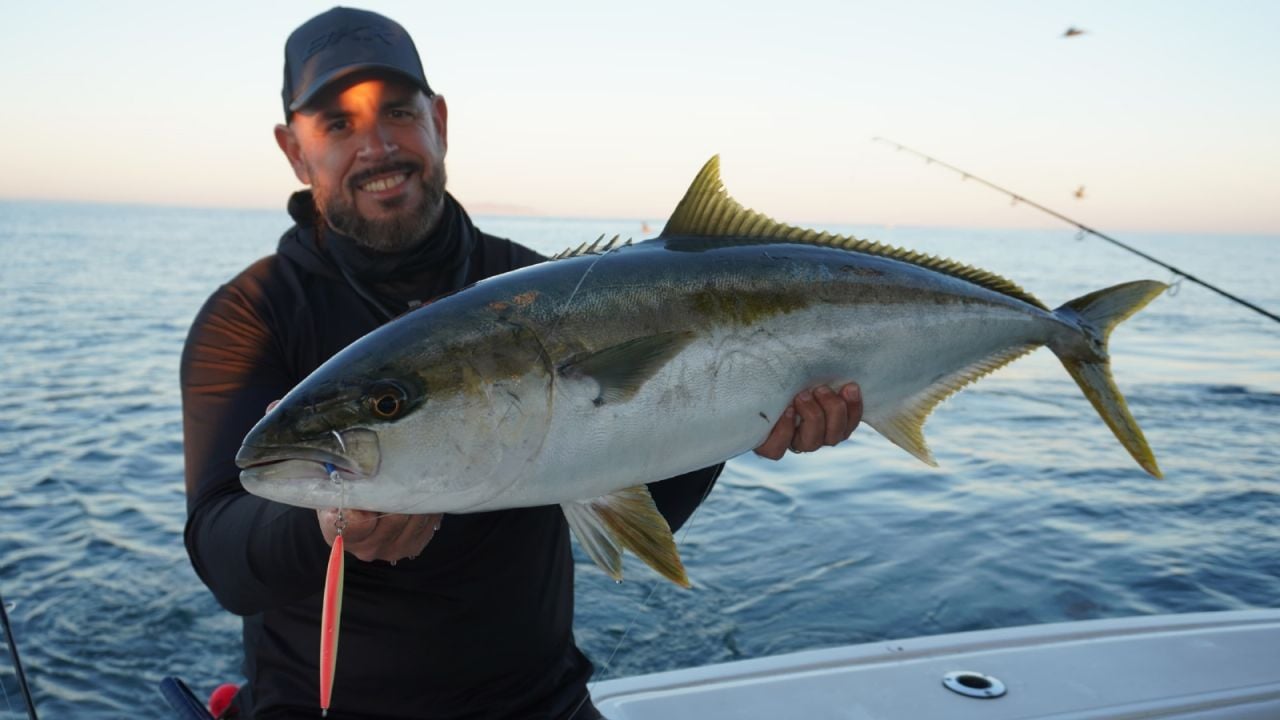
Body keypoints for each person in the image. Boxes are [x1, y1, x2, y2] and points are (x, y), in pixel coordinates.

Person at [180, 7, 862, 719]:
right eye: (338, 125)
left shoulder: (551, 294)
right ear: (295, 150)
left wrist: (739, 417)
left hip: (542, 704)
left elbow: (635, 486)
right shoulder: (252, 315)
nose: (378, 146)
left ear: (439, 120)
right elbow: (223, 551)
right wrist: (322, 523)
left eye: (399, 112)